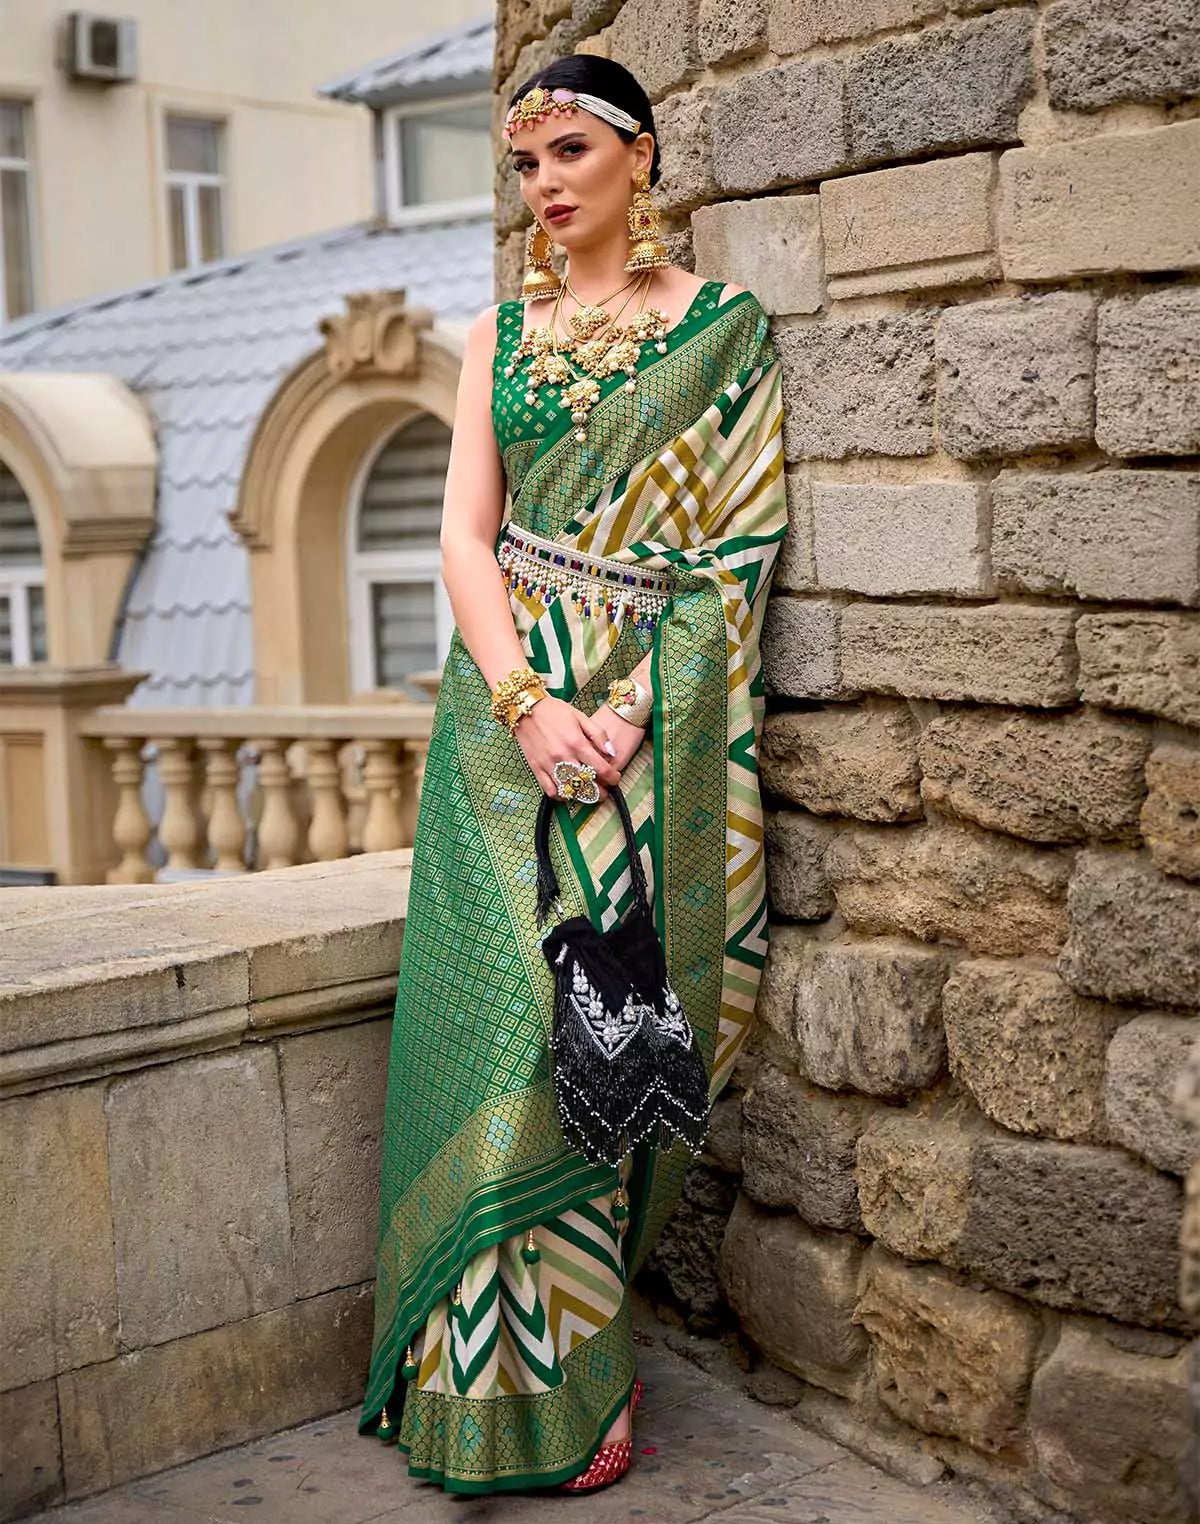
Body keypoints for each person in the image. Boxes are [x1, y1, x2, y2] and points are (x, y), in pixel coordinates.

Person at [358, 52, 786, 1496]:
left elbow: (739, 554)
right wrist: (531, 704)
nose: (544, 186)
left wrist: (633, 713)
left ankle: (589, 1380)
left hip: (659, 725)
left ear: (641, 156)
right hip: (502, 728)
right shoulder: (498, 337)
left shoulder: (724, 334)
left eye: (570, 154)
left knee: (615, 1042)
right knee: (511, 1036)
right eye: (525, 164)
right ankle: (473, 1390)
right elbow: (463, 538)